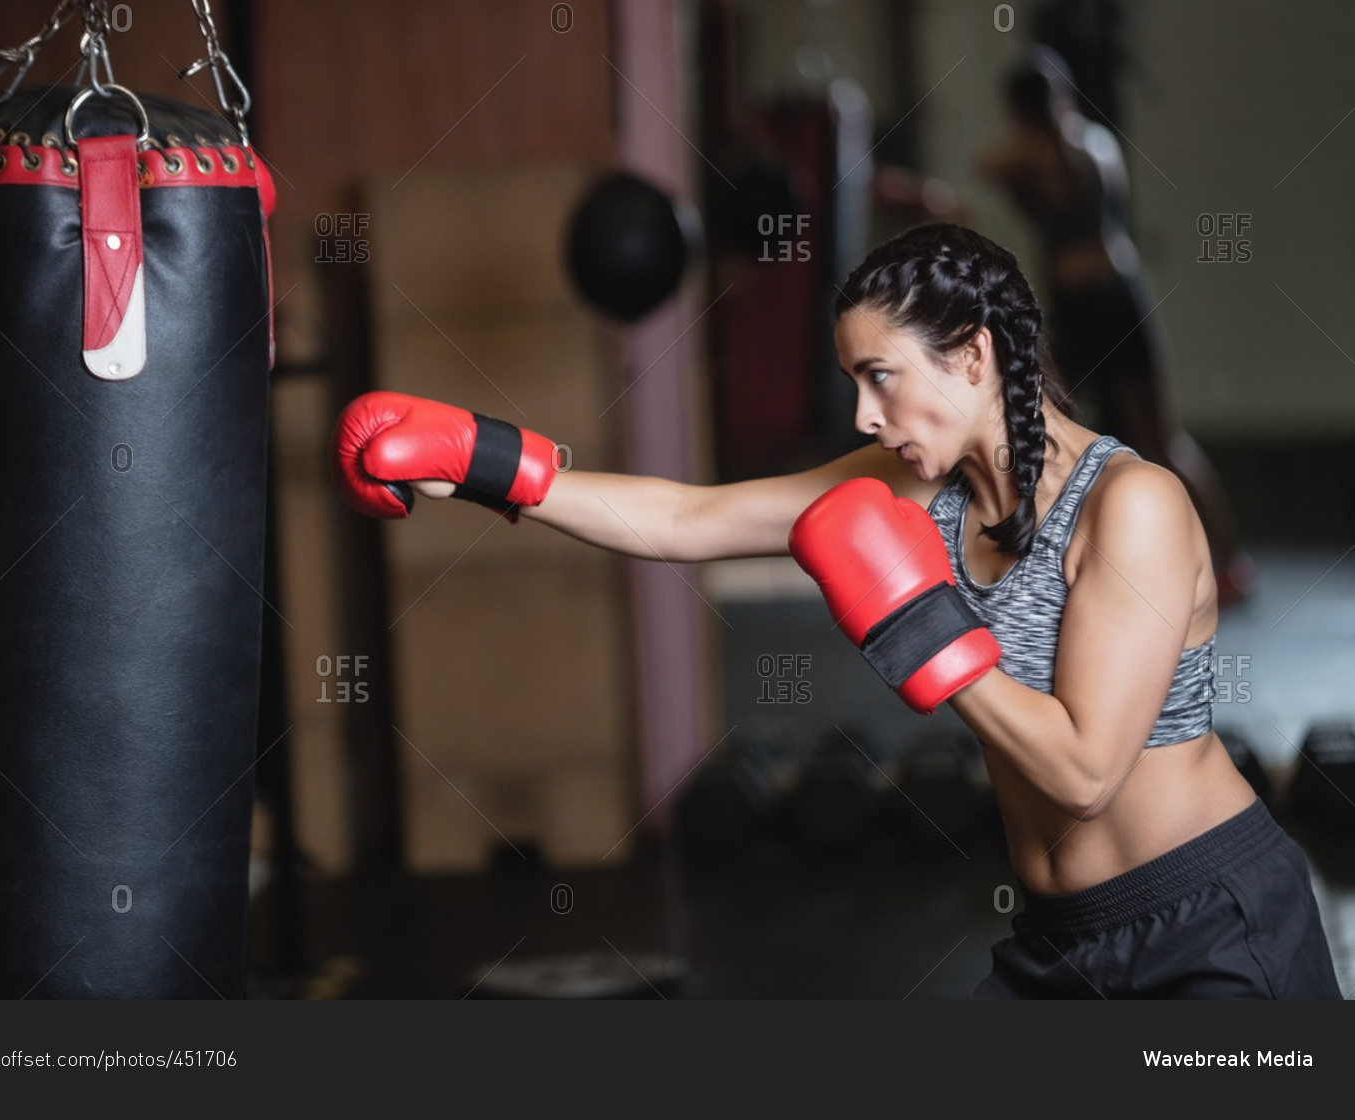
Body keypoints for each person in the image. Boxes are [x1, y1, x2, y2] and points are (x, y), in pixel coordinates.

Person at [329, 222, 1340, 1000]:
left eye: (882, 378)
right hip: (1059, 943)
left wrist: (921, 621)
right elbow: (688, 517)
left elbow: (1081, 772)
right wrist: (485, 462)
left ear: (975, 358)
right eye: (856, 381)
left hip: (1211, 928)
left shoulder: (1134, 507)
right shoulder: (917, 487)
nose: (864, 414)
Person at [973, 46, 1257, 607]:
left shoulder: (1086, 147)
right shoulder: (1033, 153)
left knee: (1158, 438)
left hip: (1112, 303)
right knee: (1052, 431)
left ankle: (1228, 562)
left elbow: (1042, 166)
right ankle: (1053, 570)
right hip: (1072, 309)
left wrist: (1036, 138)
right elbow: (987, 163)